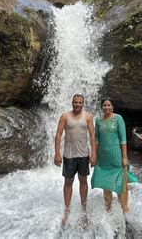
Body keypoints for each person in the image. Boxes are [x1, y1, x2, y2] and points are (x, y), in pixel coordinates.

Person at [54, 94, 97, 225]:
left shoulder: (88, 117)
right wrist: (57, 153)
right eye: (75, 102)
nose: (77, 104)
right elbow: (58, 134)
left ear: (83, 103)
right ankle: (67, 211)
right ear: (72, 102)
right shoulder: (65, 116)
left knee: (83, 182)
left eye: (80, 102)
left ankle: (84, 211)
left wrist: (94, 153)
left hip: (84, 155)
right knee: (68, 183)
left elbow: (92, 135)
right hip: (69, 155)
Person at [91, 98, 138, 213]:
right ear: (101, 107)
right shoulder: (98, 120)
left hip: (116, 155)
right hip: (103, 156)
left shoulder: (118, 118)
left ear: (112, 107)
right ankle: (108, 208)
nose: (106, 107)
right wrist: (94, 155)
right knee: (105, 181)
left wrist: (125, 157)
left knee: (120, 181)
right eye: (104, 105)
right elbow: (96, 139)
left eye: (109, 105)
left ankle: (124, 208)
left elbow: (123, 139)